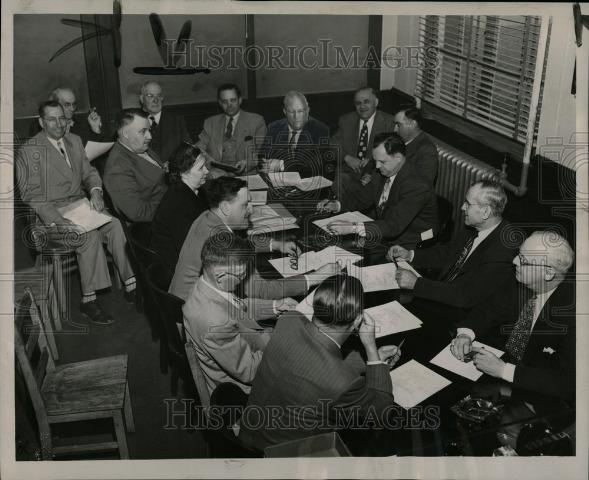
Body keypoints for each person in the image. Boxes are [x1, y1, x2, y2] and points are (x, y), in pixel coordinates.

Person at [238, 274, 401, 450]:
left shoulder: (288, 320)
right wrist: (371, 349)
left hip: (247, 434)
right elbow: (381, 411)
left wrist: (373, 360)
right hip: (284, 458)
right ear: (357, 321)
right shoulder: (344, 382)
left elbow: (313, 363)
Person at [17, 101, 136, 325]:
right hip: (50, 217)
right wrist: (58, 220)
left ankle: (131, 283)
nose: (58, 123)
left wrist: (96, 191)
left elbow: (89, 172)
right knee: (88, 236)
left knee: (116, 225)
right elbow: (31, 195)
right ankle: (88, 300)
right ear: (41, 122)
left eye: (62, 118)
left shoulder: (74, 140)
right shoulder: (29, 150)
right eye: (52, 119)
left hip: (80, 207)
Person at [169, 176, 340, 309]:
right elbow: (262, 290)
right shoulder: (224, 243)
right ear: (225, 207)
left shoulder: (206, 218)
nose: (251, 209)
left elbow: (239, 242)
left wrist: (274, 244)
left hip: (180, 302)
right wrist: (315, 277)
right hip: (201, 313)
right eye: (245, 204)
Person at [450, 231, 575, 399]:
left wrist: (503, 370)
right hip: (499, 377)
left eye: (523, 260)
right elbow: (489, 309)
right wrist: (466, 333)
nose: (515, 261)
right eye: (518, 255)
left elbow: (567, 383)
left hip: (538, 396)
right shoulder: (520, 280)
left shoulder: (575, 315)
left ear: (548, 273)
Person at [388, 180, 518, 320]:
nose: (462, 207)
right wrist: (410, 255)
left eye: (468, 204)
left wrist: (417, 283)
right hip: (444, 296)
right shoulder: (474, 226)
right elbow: (448, 253)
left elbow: (468, 296)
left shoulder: (504, 249)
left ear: (486, 211)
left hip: (463, 316)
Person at [184, 233, 289, 395]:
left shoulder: (205, 285)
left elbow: (236, 307)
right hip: (240, 391)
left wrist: (276, 306)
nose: (244, 278)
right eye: (241, 275)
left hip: (247, 348)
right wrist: (282, 339)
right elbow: (250, 371)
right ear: (220, 276)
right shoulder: (215, 323)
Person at [317, 133, 439, 249]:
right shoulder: (383, 171)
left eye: (382, 161)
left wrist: (352, 228)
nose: (376, 166)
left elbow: (393, 225)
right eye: (375, 160)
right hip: (387, 231)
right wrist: (337, 204)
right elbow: (362, 198)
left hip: (411, 241)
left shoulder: (417, 185)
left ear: (398, 158)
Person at [151, 143, 209, 270]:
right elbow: (189, 249)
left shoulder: (195, 190)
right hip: (177, 270)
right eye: (201, 168)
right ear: (184, 172)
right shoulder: (177, 203)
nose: (207, 171)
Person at [103, 108, 168, 223]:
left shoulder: (138, 147)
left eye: (149, 130)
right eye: (143, 131)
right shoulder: (117, 168)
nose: (149, 136)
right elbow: (139, 213)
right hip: (155, 225)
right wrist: (175, 203)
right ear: (126, 134)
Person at [330, 87, 395, 193]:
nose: (362, 106)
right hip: (348, 174)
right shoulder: (346, 120)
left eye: (366, 102)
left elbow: (394, 152)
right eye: (358, 103)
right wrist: (346, 157)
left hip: (376, 174)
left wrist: (372, 161)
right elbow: (332, 143)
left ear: (376, 102)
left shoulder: (389, 123)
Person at [259, 91, 332, 178]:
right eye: (291, 111)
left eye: (300, 111)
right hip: (278, 184)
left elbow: (313, 164)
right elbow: (262, 157)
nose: (296, 116)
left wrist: (281, 165)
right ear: (285, 112)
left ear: (308, 110)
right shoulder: (274, 128)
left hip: (309, 186)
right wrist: (265, 165)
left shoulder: (320, 130)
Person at [197, 83, 266, 175]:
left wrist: (246, 163)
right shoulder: (210, 123)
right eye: (225, 102)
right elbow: (198, 149)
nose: (229, 105)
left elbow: (261, 153)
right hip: (216, 177)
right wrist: (210, 163)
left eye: (233, 100)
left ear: (240, 100)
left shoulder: (256, 121)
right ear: (220, 103)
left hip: (246, 176)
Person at [139, 81, 191, 164]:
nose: (156, 100)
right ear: (142, 99)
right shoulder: (132, 121)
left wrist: (174, 165)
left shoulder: (176, 121)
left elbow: (188, 150)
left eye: (159, 96)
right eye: (150, 96)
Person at [391, 106, 438, 185]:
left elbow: (421, 185)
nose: (394, 129)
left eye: (398, 125)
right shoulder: (398, 139)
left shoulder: (427, 151)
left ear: (412, 124)